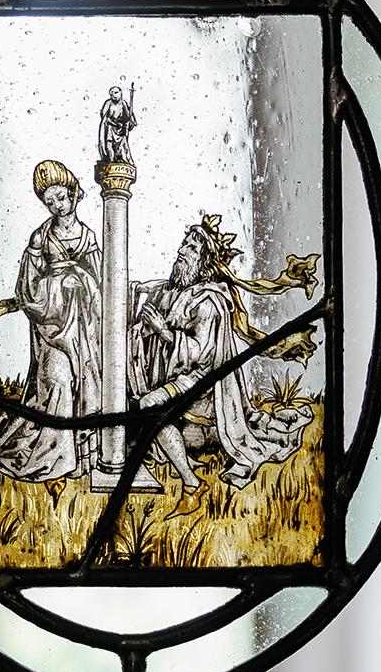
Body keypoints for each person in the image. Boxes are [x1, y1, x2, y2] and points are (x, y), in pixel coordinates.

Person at [131, 217, 314, 508]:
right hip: (180, 378)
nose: (182, 250)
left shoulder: (208, 303)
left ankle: (192, 484)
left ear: (203, 263)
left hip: (199, 384)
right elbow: (164, 289)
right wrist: (139, 290)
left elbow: (198, 352)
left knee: (149, 406)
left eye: (191, 248)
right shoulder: (181, 290)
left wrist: (162, 331)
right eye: (184, 243)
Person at [0, 160, 102, 481]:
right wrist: (59, 284)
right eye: (49, 201)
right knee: (58, 380)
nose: (56, 206)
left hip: (84, 331)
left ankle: (85, 460)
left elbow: (101, 284)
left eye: (61, 198)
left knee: (89, 388)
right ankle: (58, 455)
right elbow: (27, 289)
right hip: (52, 331)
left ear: (74, 194)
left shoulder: (88, 236)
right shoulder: (41, 238)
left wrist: (80, 279)